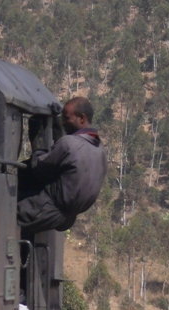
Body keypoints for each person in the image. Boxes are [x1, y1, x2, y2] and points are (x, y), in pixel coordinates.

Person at [16, 96, 108, 238]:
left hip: (46, 209)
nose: (63, 122)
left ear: (81, 118)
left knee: (2, 216)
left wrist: (38, 142)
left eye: (67, 118)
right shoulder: (99, 149)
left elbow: (38, 167)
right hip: (67, 218)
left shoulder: (69, 143)